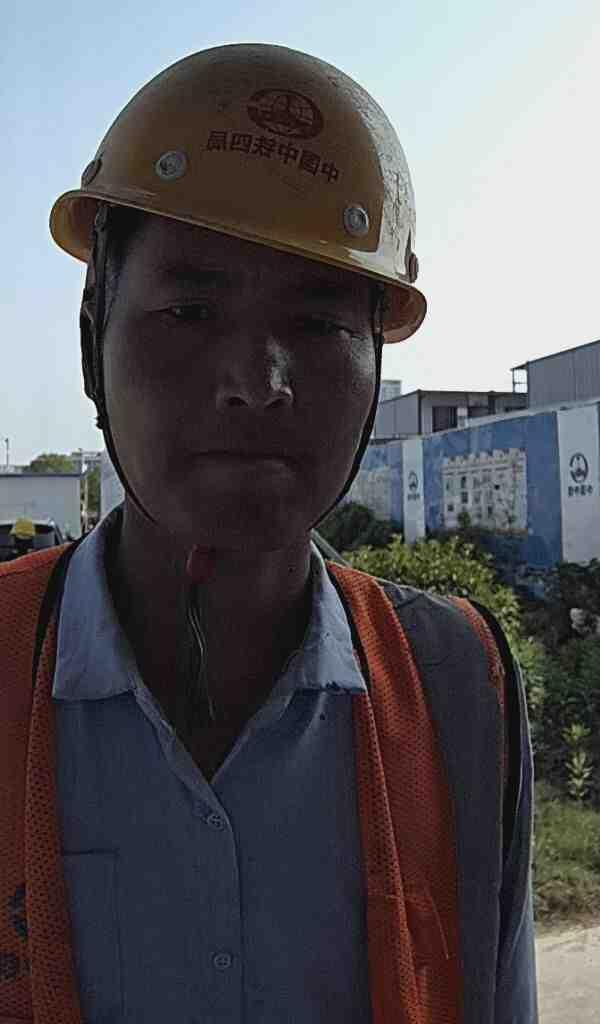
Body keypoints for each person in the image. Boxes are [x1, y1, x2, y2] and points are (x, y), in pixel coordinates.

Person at [0, 45, 537, 1023]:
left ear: (376, 358)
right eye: (191, 310)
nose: (259, 382)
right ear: (91, 337)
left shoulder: (459, 684)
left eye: (319, 322)